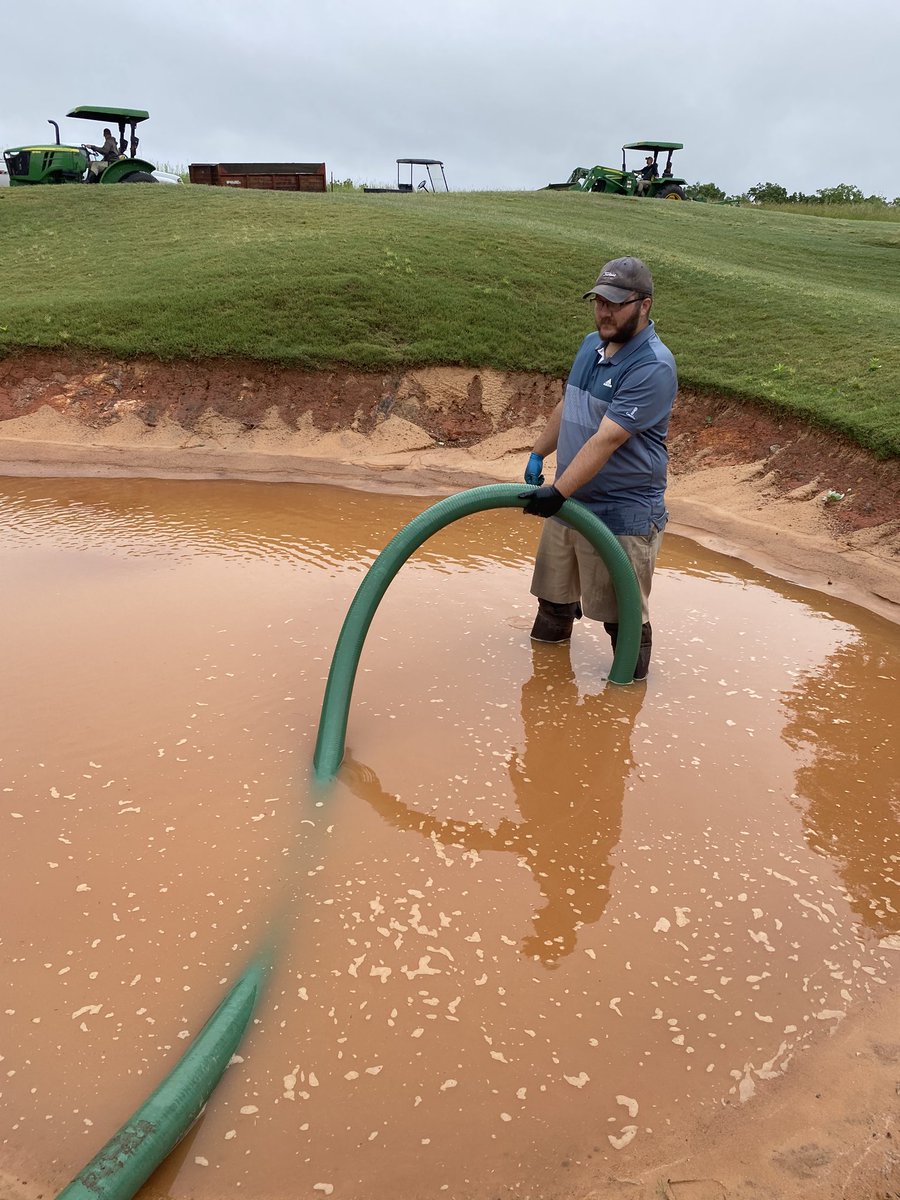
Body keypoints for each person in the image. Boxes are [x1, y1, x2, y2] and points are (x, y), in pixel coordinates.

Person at [519, 256, 677, 681]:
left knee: (621, 618)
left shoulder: (653, 366)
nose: (604, 311)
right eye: (598, 301)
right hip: (570, 502)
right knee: (552, 604)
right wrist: (539, 453)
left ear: (644, 305)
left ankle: (624, 699)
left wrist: (557, 493)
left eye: (615, 303)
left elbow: (608, 438)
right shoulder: (591, 344)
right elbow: (568, 403)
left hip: (620, 514)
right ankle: (546, 694)